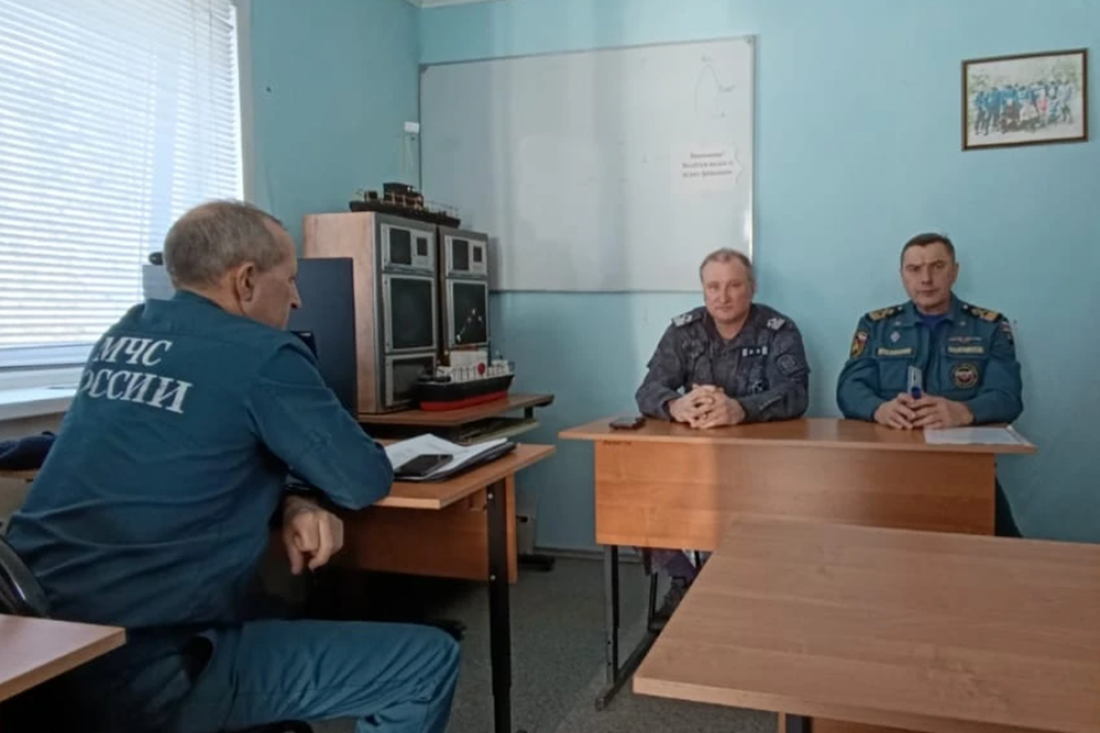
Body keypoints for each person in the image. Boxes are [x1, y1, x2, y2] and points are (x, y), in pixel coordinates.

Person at [1, 201, 460, 733]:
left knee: (272, 604)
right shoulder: (264, 354)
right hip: (140, 669)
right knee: (426, 663)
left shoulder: (122, 338)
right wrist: (303, 491)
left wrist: (294, 497)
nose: (297, 298)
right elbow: (362, 479)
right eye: (289, 279)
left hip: (35, 648)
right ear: (245, 282)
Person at [634, 247, 810, 604]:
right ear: (703, 290)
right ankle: (686, 579)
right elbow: (648, 390)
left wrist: (740, 409)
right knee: (644, 492)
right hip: (695, 459)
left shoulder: (779, 330)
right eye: (713, 287)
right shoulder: (684, 331)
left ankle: (743, 582)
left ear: (752, 287)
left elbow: (796, 393)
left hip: (761, 462)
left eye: (734, 286)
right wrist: (677, 405)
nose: (723, 296)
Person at [836, 232, 1023, 537]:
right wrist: (880, 409)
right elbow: (848, 388)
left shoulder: (989, 327)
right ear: (902, 275)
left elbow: (1008, 396)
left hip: (965, 470)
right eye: (914, 269)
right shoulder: (876, 326)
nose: (926, 279)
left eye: (937, 266)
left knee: (1004, 551)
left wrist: (964, 411)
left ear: (955, 272)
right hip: (889, 467)